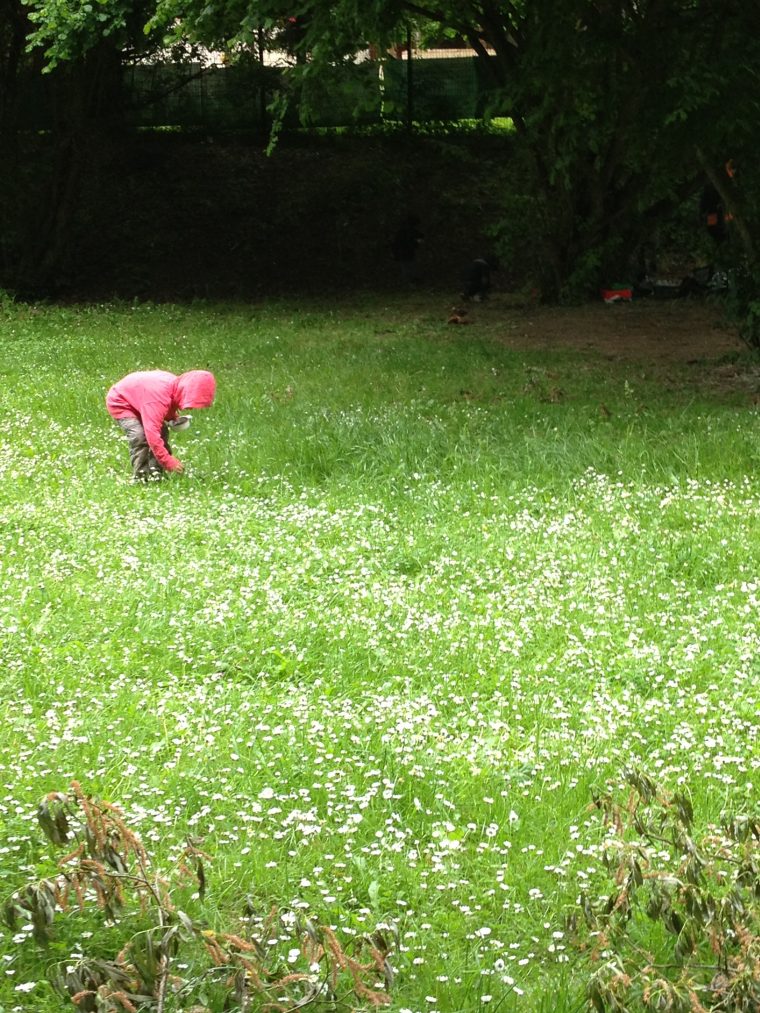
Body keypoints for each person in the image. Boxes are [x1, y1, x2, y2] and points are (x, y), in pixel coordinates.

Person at [106, 369, 216, 479]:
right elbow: (152, 435)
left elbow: (167, 406)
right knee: (140, 436)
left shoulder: (174, 387)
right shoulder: (157, 400)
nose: (191, 408)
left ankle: (156, 472)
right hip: (122, 402)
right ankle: (142, 477)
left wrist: (172, 417)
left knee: (162, 431)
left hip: (142, 399)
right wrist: (168, 462)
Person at [391, 213, 423, 283]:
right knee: (409, 266)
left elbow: (396, 242)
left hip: (404, 251)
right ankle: (411, 281)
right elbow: (419, 239)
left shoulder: (403, 231)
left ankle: (410, 281)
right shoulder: (411, 231)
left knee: (407, 267)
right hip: (407, 251)